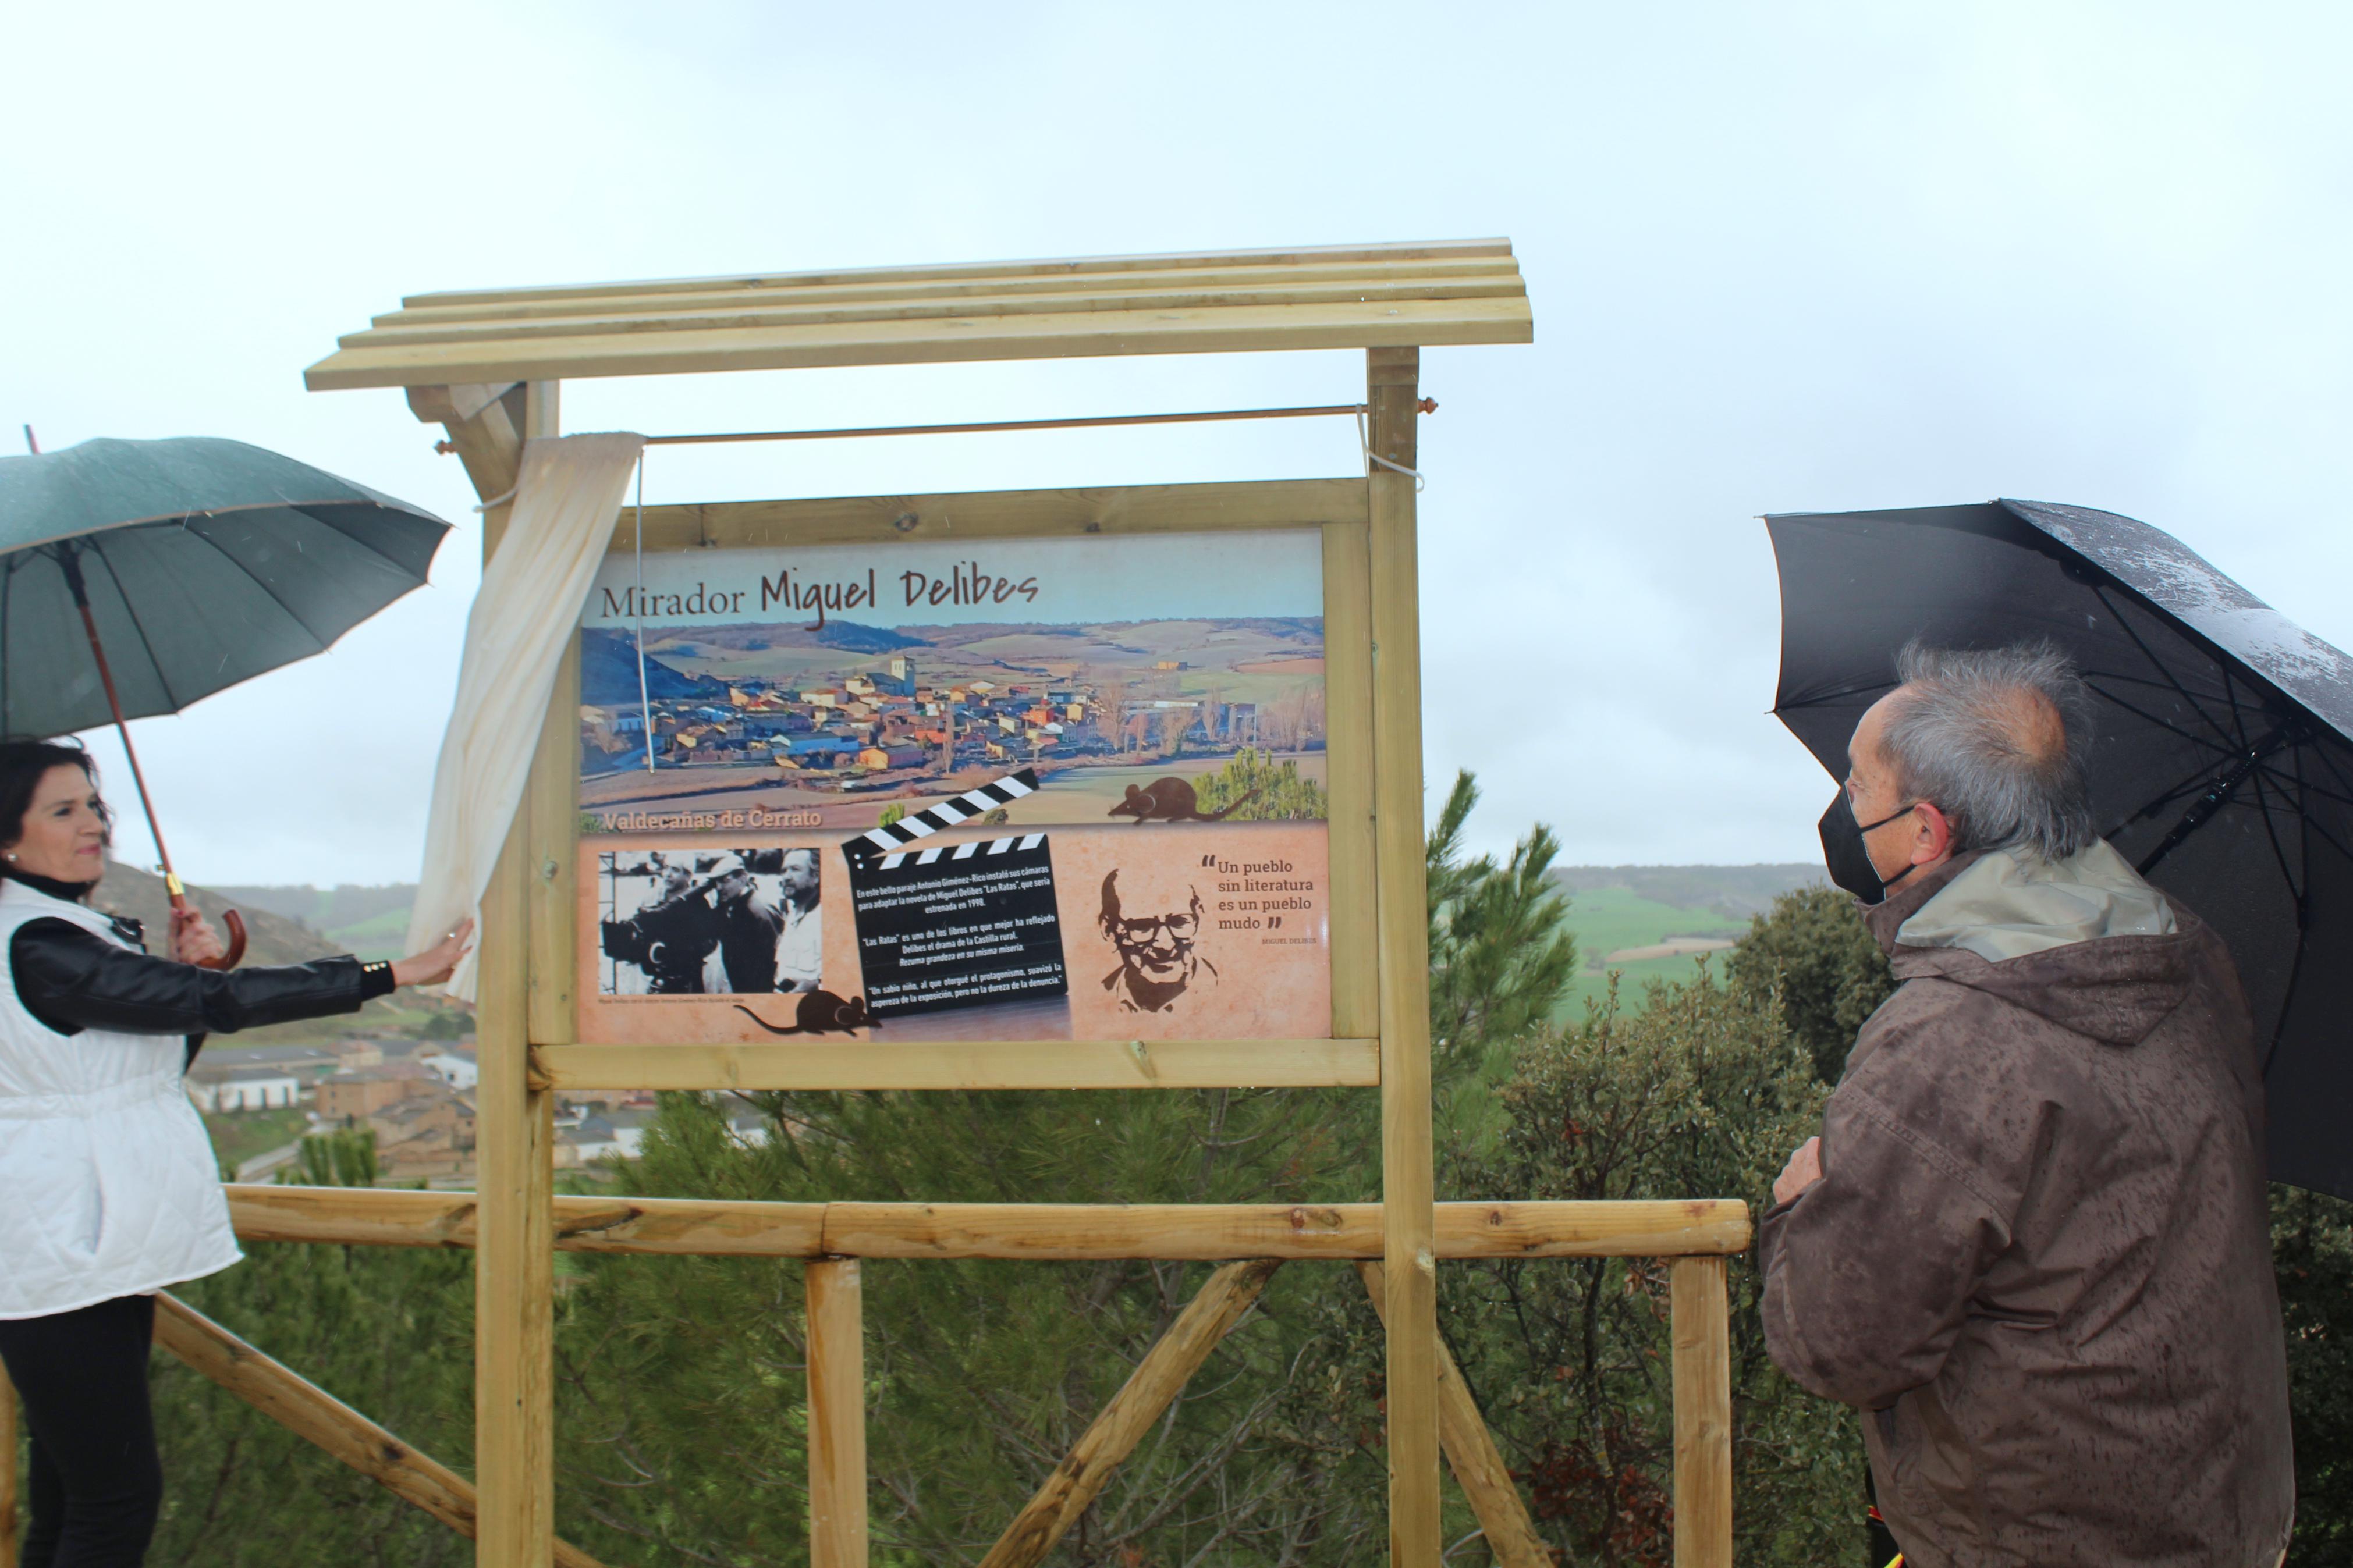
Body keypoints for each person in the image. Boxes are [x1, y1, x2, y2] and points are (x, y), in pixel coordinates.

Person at [1759, 643, 2294, 1568]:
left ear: (1924, 831)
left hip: (2033, 1533)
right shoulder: (2189, 957)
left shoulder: (1948, 1034)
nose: (1841, 806)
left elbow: (1841, 1345)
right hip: (2226, 1517)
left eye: (1856, 784)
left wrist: (1802, 1204)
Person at [0, 739, 470, 1567]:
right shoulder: (41, 944)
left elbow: (139, 1065)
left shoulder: (60, 935)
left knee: (71, 1498)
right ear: (8, 839)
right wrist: (392, 972)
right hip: (60, 1243)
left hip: (84, 1240)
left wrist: (189, 978)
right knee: (114, 1503)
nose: (95, 824)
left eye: (95, 804)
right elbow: (222, 1001)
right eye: (64, 810)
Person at [1096, 866, 1216, 1014]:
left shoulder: (1224, 993)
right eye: (1143, 926)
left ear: (1196, 923)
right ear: (1109, 930)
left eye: (1179, 923)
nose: (1166, 945)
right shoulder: (1096, 999)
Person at [707, 853, 783, 994]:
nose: (719, 887)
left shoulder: (758, 910)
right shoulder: (730, 906)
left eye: (725, 881)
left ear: (742, 879)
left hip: (760, 990)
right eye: (716, 882)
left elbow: (775, 958)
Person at [772, 847, 822, 993]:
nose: (786, 877)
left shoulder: (826, 917)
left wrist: (818, 987)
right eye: (784, 871)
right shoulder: (792, 914)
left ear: (816, 876)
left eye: (795, 869)